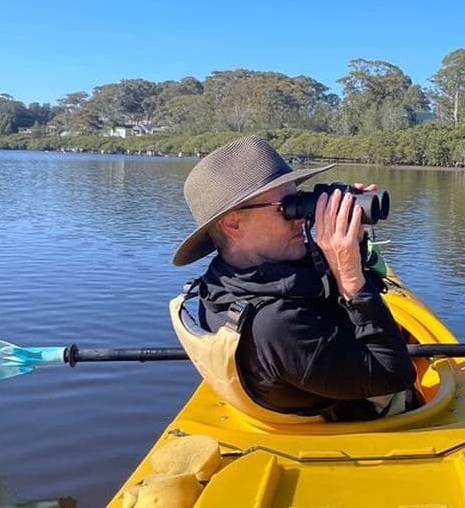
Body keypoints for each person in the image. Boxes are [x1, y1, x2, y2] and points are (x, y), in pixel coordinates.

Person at [172, 135, 420, 421]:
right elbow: (396, 375)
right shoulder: (276, 325)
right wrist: (350, 277)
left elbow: (332, 293)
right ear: (232, 223)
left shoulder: (223, 280)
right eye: (285, 207)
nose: (301, 217)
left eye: (299, 200)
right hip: (350, 422)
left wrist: (354, 240)